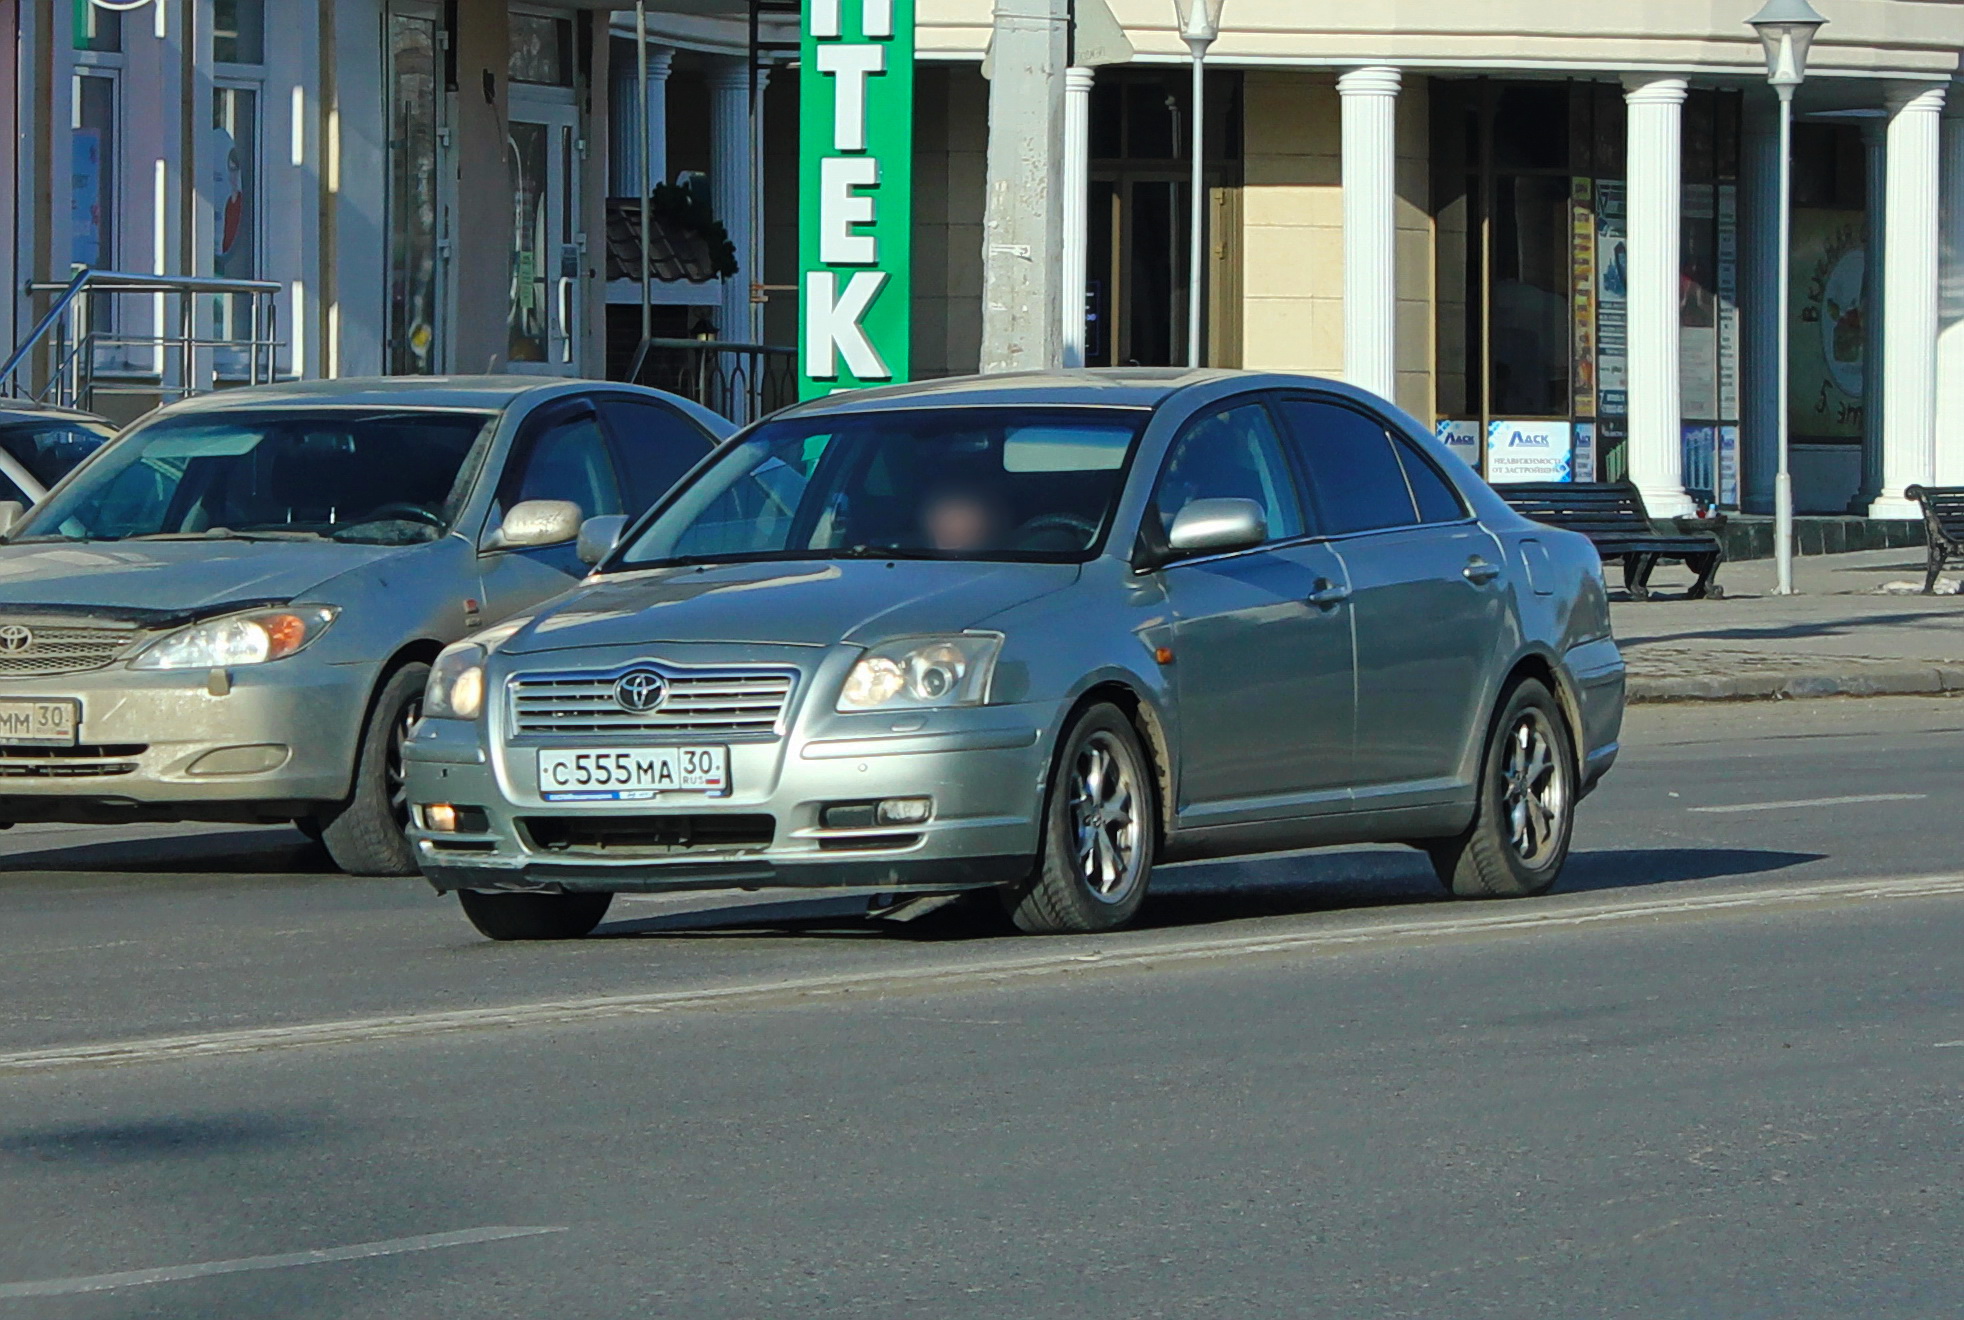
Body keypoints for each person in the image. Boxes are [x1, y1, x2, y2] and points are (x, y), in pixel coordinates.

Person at [919, 474, 1008, 553]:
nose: (958, 545)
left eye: (968, 533)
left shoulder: (1006, 559)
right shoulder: (914, 558)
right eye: (951, 535)